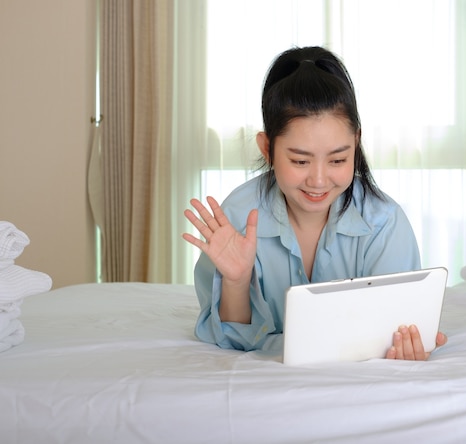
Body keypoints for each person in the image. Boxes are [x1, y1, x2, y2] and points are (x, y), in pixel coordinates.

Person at [183, 46, 447, 361]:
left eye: (338, 159)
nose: (319, 180)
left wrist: (408, 344)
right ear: (267, 148)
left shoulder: (384, 222)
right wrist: (237, 282)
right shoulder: (237, 217)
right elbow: (233, 338)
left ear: (356, 143)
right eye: (300, 160)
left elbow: (395, 332)